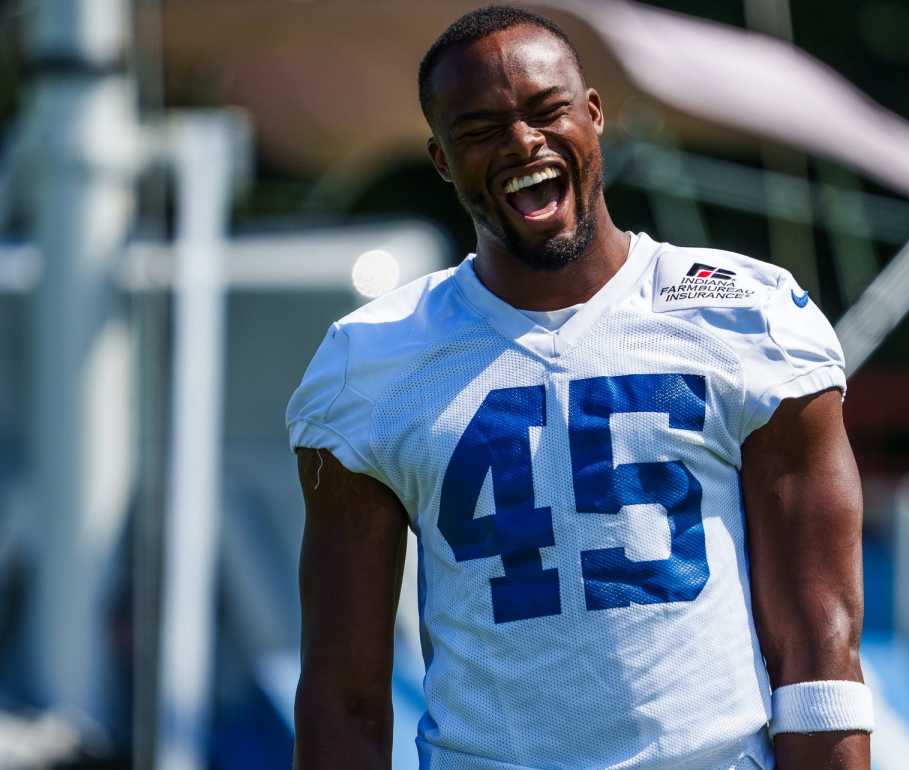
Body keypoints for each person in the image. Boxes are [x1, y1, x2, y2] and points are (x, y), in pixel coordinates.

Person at [287, 6, 871, 769]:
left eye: (545, 110)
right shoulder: (373, 362)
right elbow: (344, 690)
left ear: (594, 114)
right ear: (441, 159)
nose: (522, 143)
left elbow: (818, 637)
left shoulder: (745, 315)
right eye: (480, 129)